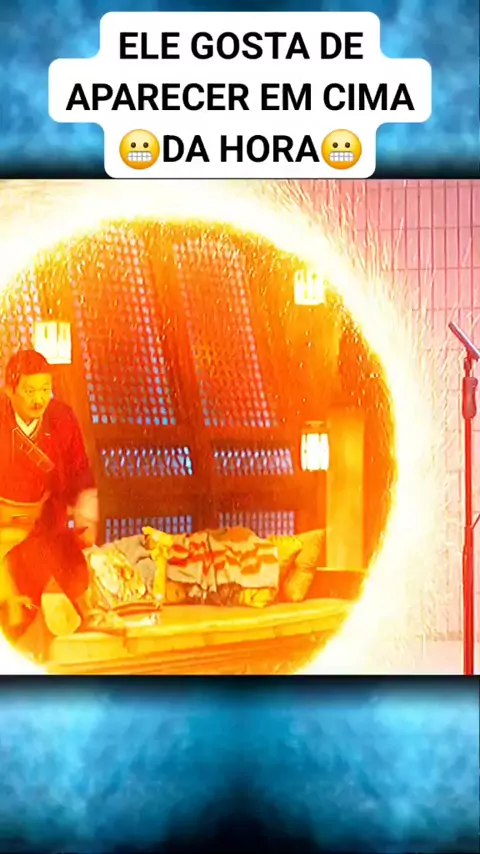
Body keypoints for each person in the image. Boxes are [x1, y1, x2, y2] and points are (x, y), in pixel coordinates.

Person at [0, 349, 125, 647]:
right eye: (29, 391)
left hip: (43, 521)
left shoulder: (61, 418)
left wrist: (85, 510)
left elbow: (79, 470)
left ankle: (89, 612)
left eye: (45, 390)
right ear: (9, 391)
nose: (38, 400)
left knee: (66, 550)